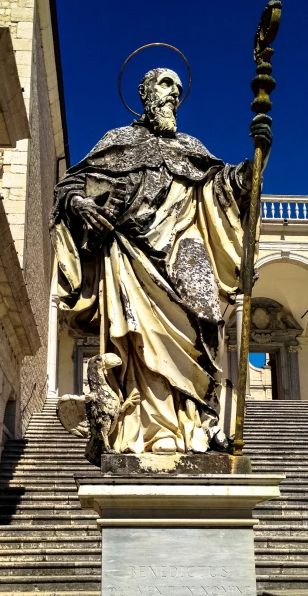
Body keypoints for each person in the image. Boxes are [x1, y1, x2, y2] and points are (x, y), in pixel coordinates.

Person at [51, 68, 271, 455]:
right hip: (133, 255)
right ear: (144, 92)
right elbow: (70, 185)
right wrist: (81, 204)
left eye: (179, 88)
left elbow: (223, 187)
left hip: (187, 248)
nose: (174, 94)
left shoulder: (190, 146)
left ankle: (198, 424)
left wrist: (255, 164)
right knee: (142, 341)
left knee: (206, 326)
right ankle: (154, 429)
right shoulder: (116, 141)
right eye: (166, 85)